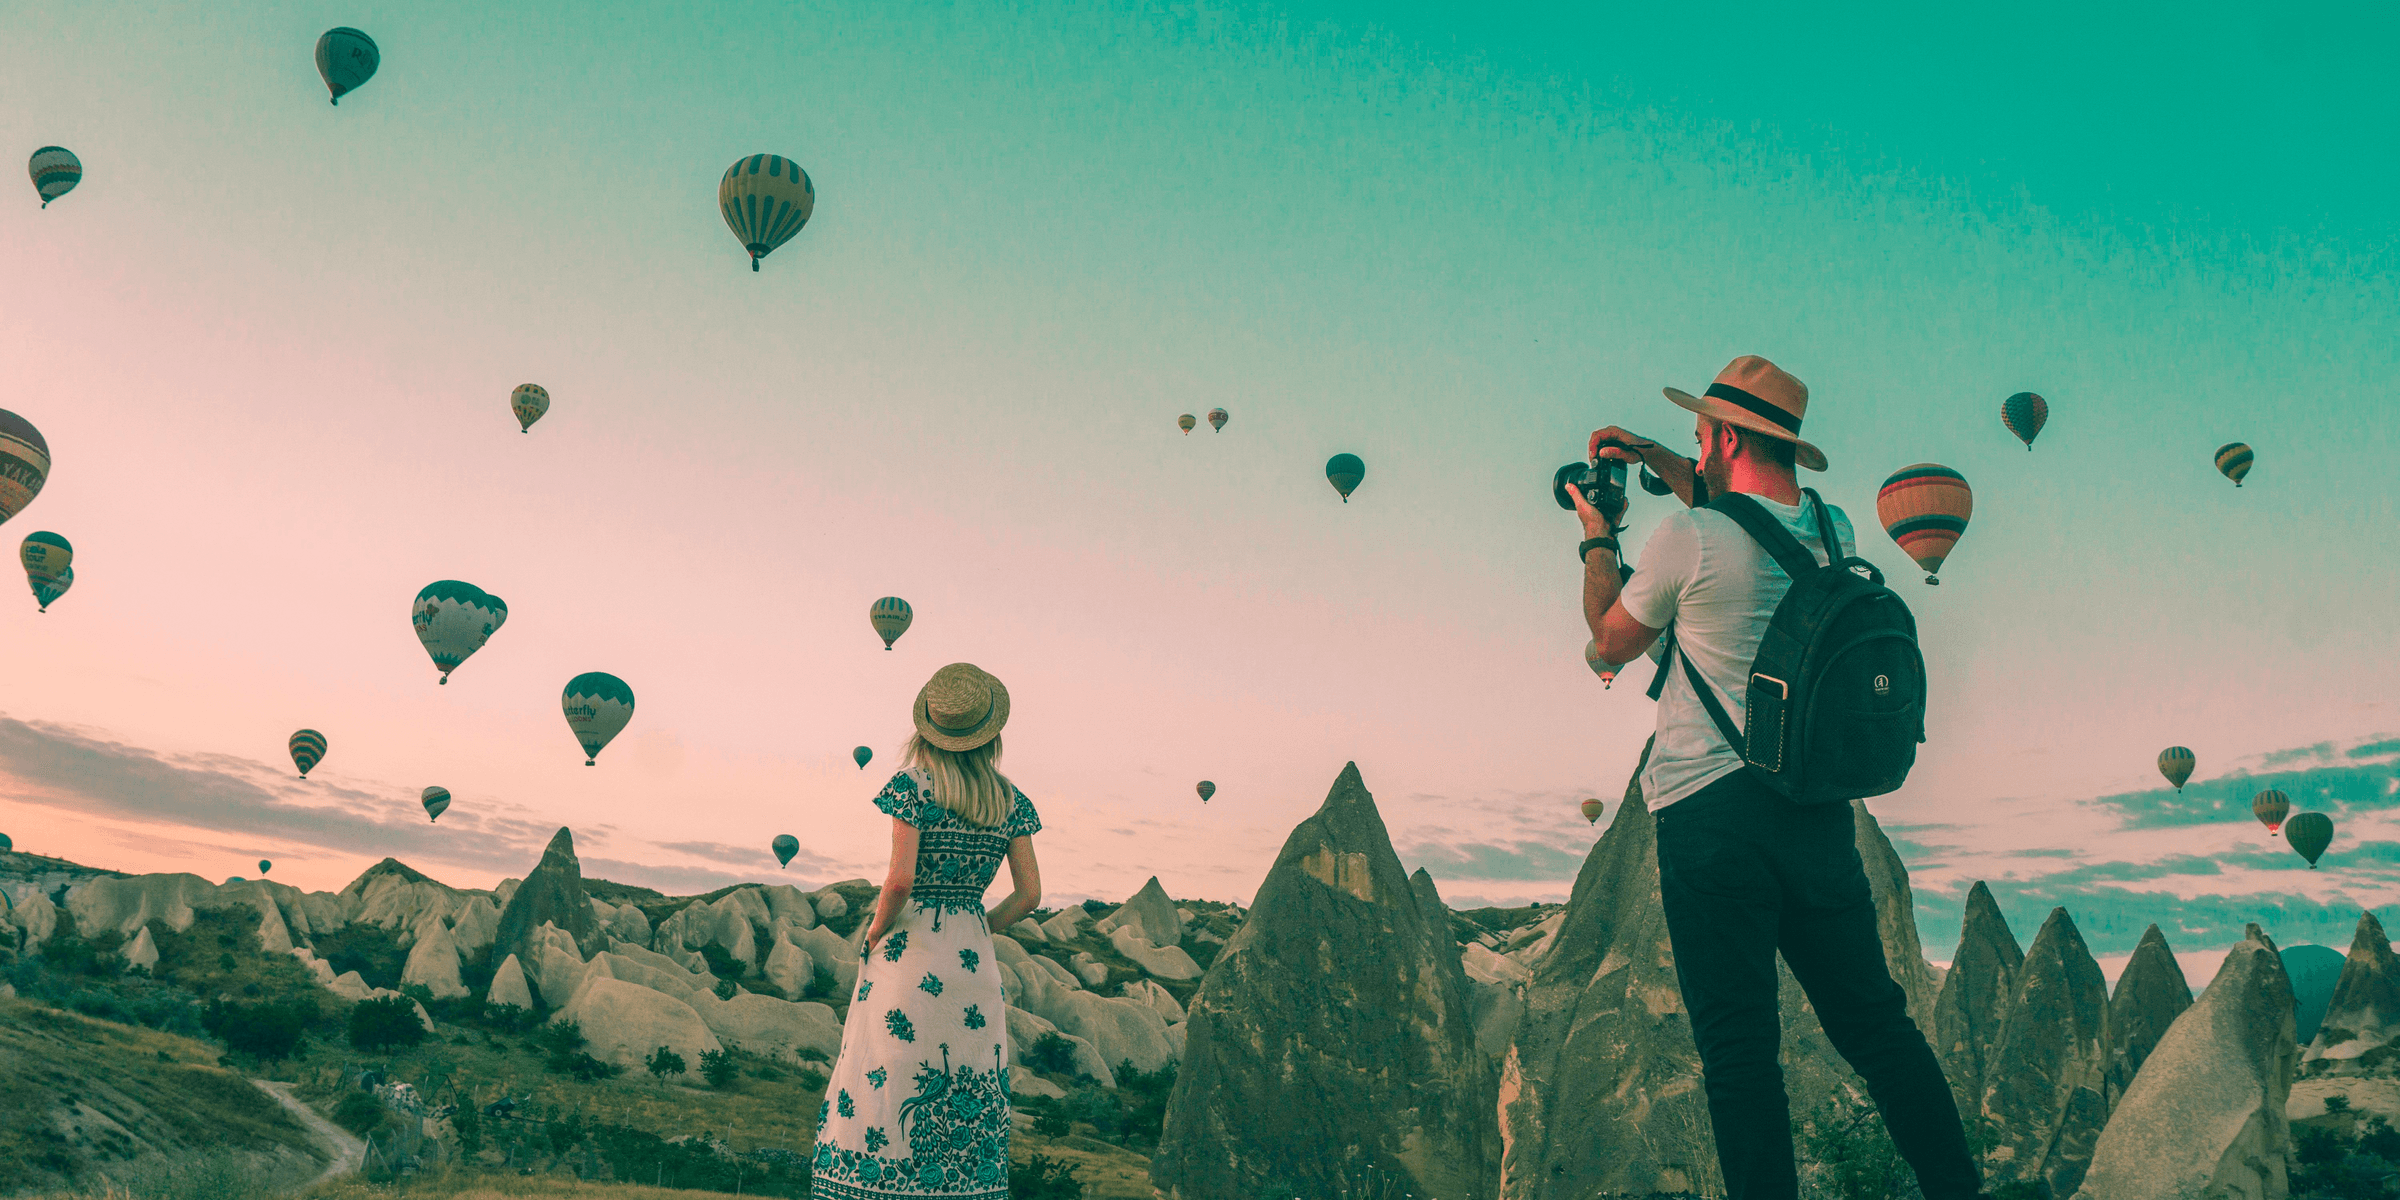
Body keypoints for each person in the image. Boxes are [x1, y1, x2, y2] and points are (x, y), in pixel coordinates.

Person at [1568, 356, 1985, 1200]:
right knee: (1877, 1026)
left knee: (1738, 1052)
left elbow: (1610, 643)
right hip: (1817, 811)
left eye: (1698, 438)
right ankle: (1959, 1189)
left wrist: (1597, 534)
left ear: (1724, 436)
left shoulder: (1686, 538)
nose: (1695, 452)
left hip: (1709, 816)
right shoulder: (1838, 534)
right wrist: (1654, 454)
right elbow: (1741, 518)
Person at [810, 662, 1043, 1198]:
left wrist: (874, 932)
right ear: (990, 735)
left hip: (911, 954)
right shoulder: (1011, 801)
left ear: (927, 732)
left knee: (886, 1073)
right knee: (968, 1072)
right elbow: (1029, 895)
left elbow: (899, 881)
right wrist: (982, 927)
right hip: (973, 960)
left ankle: (878, 1184)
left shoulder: (912, 787)